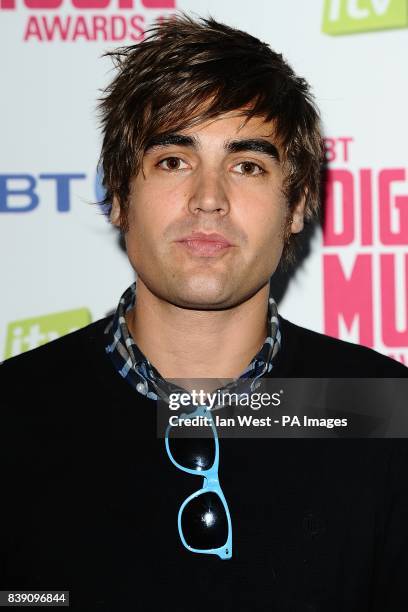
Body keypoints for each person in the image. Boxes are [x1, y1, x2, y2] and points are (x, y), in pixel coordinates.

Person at [1, 13, 407, 612]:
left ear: (297, 206)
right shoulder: (14, 413)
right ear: (118, 193)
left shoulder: (380, 412)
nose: (208, 199)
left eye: (247, 166)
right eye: (173, 160)